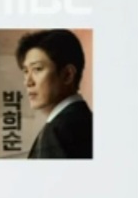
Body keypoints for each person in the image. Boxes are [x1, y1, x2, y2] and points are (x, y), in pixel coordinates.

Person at [17, 29, 92, 159]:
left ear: (67, 75)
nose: (28, 82)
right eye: (26, 71)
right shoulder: (81, 120)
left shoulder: (59, 130)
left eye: (37, 69)